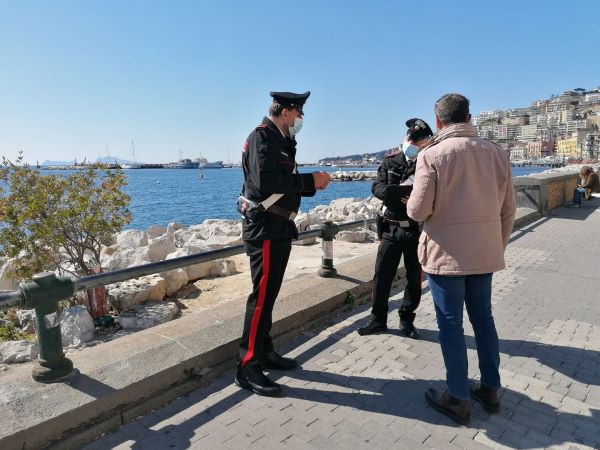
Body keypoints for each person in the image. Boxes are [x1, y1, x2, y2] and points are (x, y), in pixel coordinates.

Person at [407, 93, 516, 424]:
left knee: (451, 325)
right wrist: (495, 245)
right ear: (469, 118)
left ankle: (457, 396)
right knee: (483, 319)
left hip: (446, 257)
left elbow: (417, 210)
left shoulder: (431, 156)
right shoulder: (497, 154)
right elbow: (508, 209)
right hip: (484, 253)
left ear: (438, 122)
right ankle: (491, 388)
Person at [235, 91, 332, 397]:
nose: (301, 120)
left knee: (271, 294)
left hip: (278, 227)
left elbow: (282, 179)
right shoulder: (262, 137)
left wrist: (309, 184)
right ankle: (247, 366)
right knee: (261, 297)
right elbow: (267, 184)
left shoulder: (281, 139)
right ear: (288, 112)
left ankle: (264, 351)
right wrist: (309, 181)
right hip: (264, 228)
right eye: (299, 114)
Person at [357, 118, 433, 338]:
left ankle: (407, 320)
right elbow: (376, 186)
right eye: (410, 137)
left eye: (417, 139)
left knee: (414, 279)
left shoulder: (426, 163)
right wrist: (394, 194)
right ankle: (377, 320)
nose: (411, 141)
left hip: (414, 230)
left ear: (424, 143)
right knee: (382, 276)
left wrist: (408, 200)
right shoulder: (390, 161)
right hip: (390, 228)